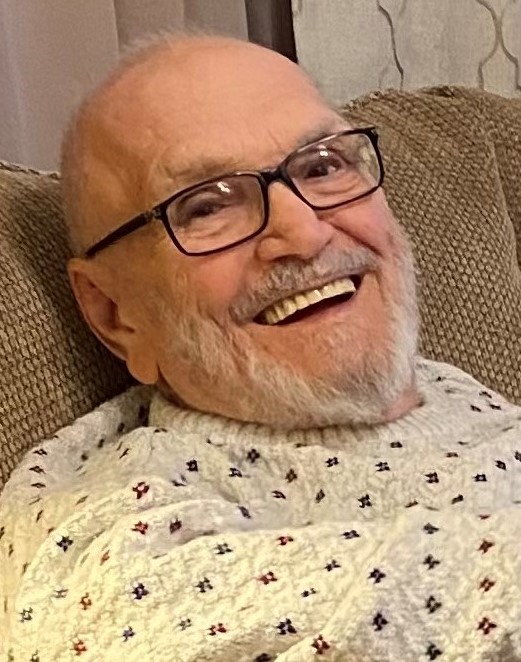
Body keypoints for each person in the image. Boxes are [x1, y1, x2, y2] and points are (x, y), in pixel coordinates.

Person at [1, 33, 521, 662]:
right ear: (117, 316)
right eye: (206, 206)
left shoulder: (454, 389)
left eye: (322, 166)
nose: (303, 232)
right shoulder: (118, 537)